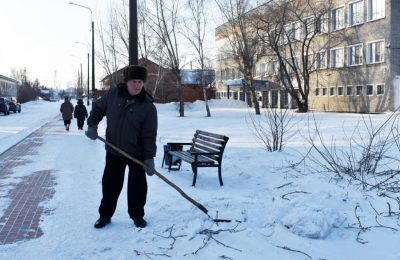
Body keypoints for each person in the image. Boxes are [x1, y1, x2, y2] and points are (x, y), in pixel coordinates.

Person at [85, 65, 157, 229]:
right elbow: (98, 109)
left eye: (140, 82)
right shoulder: (113, 94)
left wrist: (149, 158)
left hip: (136, 154)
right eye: (134, 81)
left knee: (137, 187)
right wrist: (92, 125)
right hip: (114, 150)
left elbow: (149, 135)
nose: (137, 85)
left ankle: (137, 215)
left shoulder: (148, 107)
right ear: (127, 81)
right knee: (110, 185)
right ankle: (104, 216)